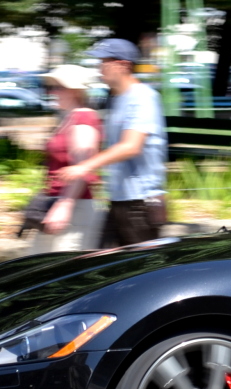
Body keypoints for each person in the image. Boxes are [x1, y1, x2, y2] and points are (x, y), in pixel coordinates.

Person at [57, 38, 168, 249]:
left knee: (139, 274)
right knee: (108, 269)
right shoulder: (118, 99)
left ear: (123, 65)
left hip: (140, 204)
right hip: (120, 201)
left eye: (103, 62)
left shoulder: (143, 97)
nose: (99, 68)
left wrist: (85, 166)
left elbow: (131, 146)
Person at [29, 64, 103, 254]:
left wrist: (65, 205)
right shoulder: (69, 118)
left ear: (75, 90)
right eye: (51, 87)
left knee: (64, 275)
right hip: (58, 205)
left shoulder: (84, 119)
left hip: (74, 210)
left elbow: (82, 167)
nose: (52, 91)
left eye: (58, 87)